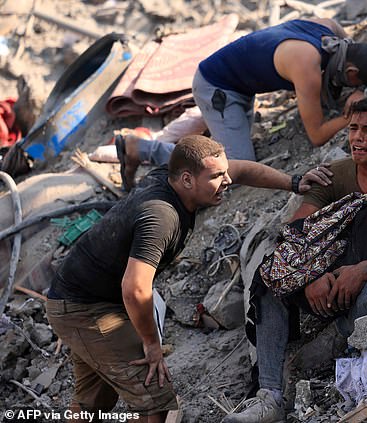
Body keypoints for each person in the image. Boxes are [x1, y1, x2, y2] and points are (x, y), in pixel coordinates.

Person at [46, 135, 329, 423]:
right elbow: (135, 289)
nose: (227, 180)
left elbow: (241, 170)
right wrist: (152, 345)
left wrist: (294, 182)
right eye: (217, 176)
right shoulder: (161, 217)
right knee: (154, 400)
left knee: (94, 402)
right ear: (187, 179)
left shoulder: (180, 179)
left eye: (224, 171)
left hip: (81, 296)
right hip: (85, 308)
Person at [222, 97, 367, 423]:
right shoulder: (333, 175)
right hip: (328, 276)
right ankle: (269, 396)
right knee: (270, 278)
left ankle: (334, 340)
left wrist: (364, 271)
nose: (357, 138)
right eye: (353, 128)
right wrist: (310, 277)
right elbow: (295, 236)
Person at [116, 17, 367, 190]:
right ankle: (139, 148)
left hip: (239, 81)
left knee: (227, 143)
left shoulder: (329, 28)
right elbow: (317, 135)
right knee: (232, 167)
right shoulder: (306, 67)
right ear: (352, 73)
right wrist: (350, 115)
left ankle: (214, 129)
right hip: (217, 87)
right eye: (354, 83)